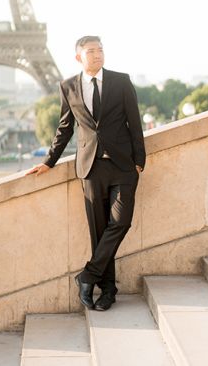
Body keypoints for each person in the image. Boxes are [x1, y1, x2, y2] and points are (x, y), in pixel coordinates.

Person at [26, 35, 146, 312]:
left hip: (123, 166)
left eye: (101, 50)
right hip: (90, 168)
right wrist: (49, 162)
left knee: (121, 222)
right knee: (99, 231)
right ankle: (107, 290)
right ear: (79, 56)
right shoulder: (68, 86)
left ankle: (88, 275)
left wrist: (139, 160)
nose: (97, 54)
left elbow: (135, 122)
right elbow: (65, 127)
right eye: (91, 51)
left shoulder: (121, 81)